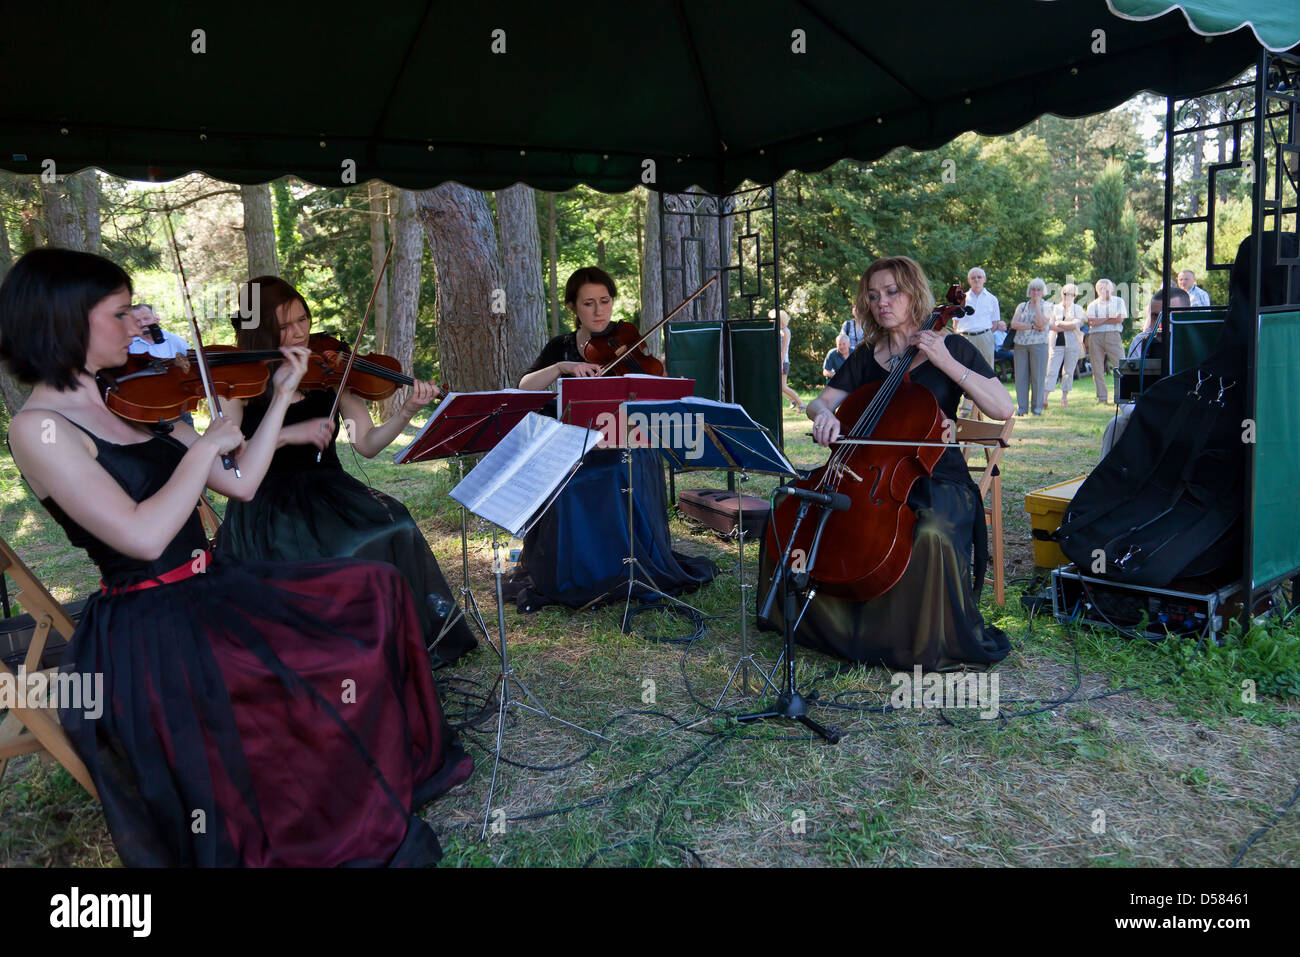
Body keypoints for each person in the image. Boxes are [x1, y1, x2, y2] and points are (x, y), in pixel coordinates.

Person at [0, 248, 472, 866]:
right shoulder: (40, 429)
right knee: (306, 670)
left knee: (375, 588)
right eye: (120, 312)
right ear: (66, 321)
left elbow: (242, 481)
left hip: (212, 584)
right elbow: (140, 537)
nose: (141, 319)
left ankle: (382, 764)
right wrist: (207, 447)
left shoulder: (137, 395)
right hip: (151, 623)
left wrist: (275, 398)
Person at [216, 276, 476, 668]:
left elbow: (366, 444)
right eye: (284, 326)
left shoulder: (329, 370)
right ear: (259, 330)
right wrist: (288, 433)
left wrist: (406, 411)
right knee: (341, 553)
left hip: (330, 488)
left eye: (303, 319)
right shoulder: (240, 383)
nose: (300, 332)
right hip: (269, 500)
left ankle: (405, 643)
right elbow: (232, 462)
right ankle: (343, 656)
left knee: (398, 525)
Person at [777, 255, 1012, 671]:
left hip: (936, 475)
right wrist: (824, 415)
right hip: (867, 472)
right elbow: (820, 402)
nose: (881, 302)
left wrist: (946, 362)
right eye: (872, 295)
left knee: (930, 532)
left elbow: (1001, 407)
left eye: (891, 292)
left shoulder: (950, 346)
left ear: (913, 293)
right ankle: (827, 627)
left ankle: (911, 641)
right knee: (795, 510)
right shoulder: (867, 355)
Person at [511, 266, 716, 611]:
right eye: (588, 303)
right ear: (574, 307)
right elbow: (524, 386)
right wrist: (563, 368)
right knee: (567, 482)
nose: (598, 310)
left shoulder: (627, 341)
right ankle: (577, 572)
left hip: (624, 443)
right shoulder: (560, 347)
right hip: (574, 445)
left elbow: (655, 390)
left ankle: (620, 567)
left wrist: (658, 377)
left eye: (604, 301)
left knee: (621, 471)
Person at [1009, 278, 1051, 415]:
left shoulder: (1048, 306)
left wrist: (1038, 305)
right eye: (1033, 289)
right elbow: (1014, 324)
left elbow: (1042, 323)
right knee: (1021, 377)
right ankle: (1022, 408)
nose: (1035, 292)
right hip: (1020, 344)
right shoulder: (1022, 306)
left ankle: (1037, 408)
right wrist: (1032, 326)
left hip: (1039, 345)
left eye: (1039, 289)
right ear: (1029, 291)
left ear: (1043, 291)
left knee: (1038, 377)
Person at [1085, 278, 1127, 403]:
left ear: (1112, 289)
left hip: (1113, 335)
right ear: (1097, 290)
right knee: (1097, 367)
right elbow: (1092, 322)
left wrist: (1101, 320)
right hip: (1095, 337)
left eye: (1107, 289)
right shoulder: (1092, 304)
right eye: (1102, 289)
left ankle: (1122, 395)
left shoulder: (1119, 302)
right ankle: (1102, 397)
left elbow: (1119, 319)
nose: (1105, 291)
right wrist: (1110, 316)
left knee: (1120, 365)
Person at [1045, 283, 1085, 408]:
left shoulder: (1078, 309)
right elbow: (1050, 325)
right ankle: (1044, 398)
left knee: (1068, 371)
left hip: (1072, 344)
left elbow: (1076, 324)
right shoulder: (1054, 308)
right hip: (1056, 343)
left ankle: (1064, 398)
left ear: (1075, 296)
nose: (1067, 296)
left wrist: (1060, 323)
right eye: (1065, 293)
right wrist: (1066, 325)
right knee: (1051, 369)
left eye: (1071, 294)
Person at [955, 266, 1005, 368]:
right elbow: (955, 324)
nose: (976, 279)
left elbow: (994, 323)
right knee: (964, 370)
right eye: (973, 278)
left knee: (987, 370)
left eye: (979, 277)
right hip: (965, 338)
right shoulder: (960, 299)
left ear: (984, 279)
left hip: (985, 337)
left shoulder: (992, 299)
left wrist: (984, 335)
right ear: (969, 281)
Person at [776, 309, 806, 412]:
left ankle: (801, 403)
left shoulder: (785, 331)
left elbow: (783, 350)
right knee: (778, 386)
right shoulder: (780, 331)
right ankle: (792, 399)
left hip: (783, 362)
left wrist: (780, 364)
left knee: (783, 387)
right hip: (779, 361)